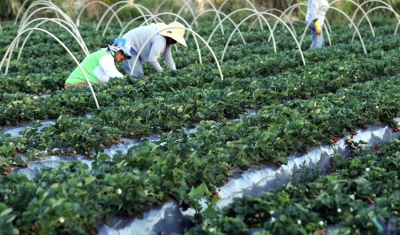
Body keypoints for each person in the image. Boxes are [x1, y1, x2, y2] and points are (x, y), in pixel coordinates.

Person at [121, 21, 187, 78]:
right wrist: (162, 72)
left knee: (137, 74)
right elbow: (152, 59)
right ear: (170, 36)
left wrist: (174, 72)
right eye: (175, 39)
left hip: (135, 46)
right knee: (136, 75)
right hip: (128, 44)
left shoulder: (167, 41)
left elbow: (168, 58)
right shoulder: (160, 40)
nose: (175, 42)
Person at [65, 38, 132, 90]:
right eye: (122, 53)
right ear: (116, 49)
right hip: (75, 85)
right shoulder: (106, 57)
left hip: (81, 83)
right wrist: (129, 81)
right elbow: (114, 74)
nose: (123, 56)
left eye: (125, 56)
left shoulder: (106, 55)